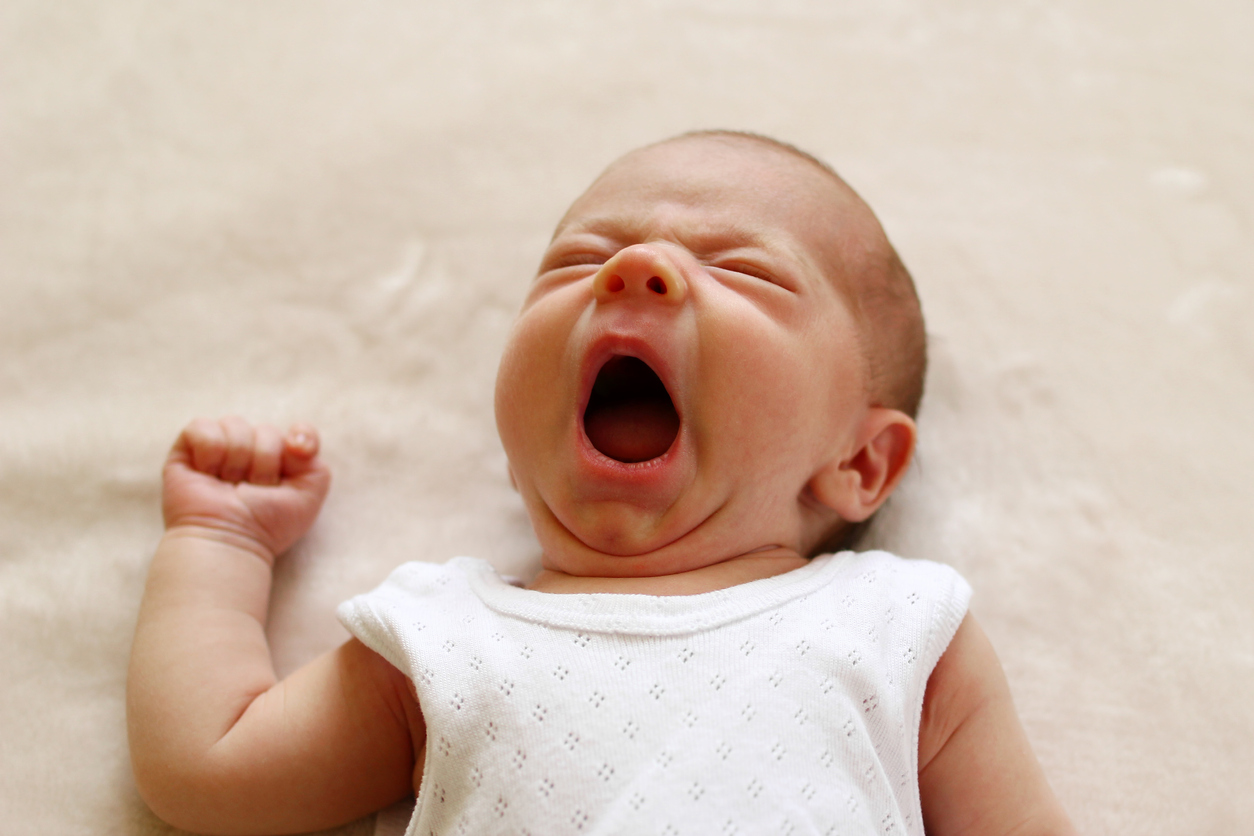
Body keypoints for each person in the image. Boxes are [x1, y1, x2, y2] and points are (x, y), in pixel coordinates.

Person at [127, 131, 1076, 835]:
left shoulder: (897, 627)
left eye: (742, 271)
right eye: (578, 261)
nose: (637, 268)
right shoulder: (446, 640)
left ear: (860, 463)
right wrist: (220, 544)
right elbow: (209, 771)